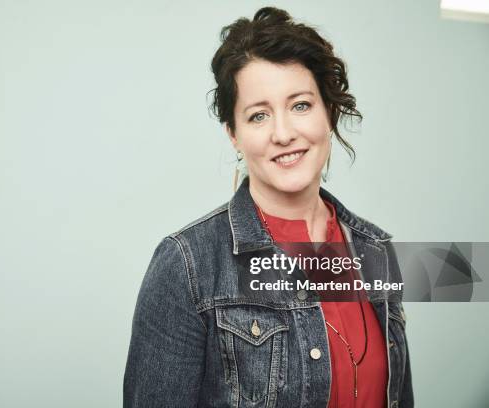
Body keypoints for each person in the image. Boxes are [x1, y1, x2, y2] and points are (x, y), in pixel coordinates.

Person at [124, 6, 413, 408]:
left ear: (328, 112)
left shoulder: (377, 250)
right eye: (258, 115)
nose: (283, 133)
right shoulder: (187, 265)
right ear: (234, 135)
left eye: (300, 105)